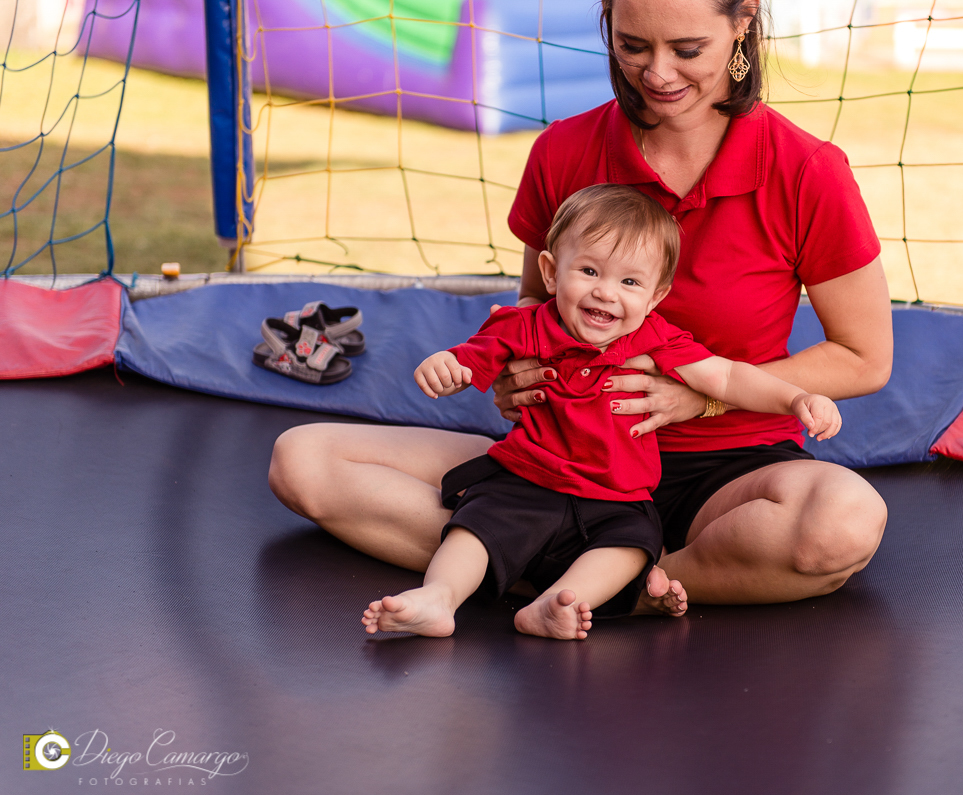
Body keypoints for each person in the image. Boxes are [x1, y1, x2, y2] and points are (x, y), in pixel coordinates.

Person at [269, 0, 892, 611]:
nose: (657, 75)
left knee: (842, 523)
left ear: (742, 21)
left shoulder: (808, 170)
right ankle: (587, 577)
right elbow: (535, 305)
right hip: (560, 457)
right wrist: (513, 377)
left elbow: (864, 359)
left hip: (727, 468)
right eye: (632, 46)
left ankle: (629, 579)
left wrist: (700, 398)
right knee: (303, 460)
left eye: (687, 50)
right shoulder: (564, 150)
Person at [361, 184, 842, 639]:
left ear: (655, 297)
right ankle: (438, 598)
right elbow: (472, 357)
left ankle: (554, 605)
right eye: (589, 272)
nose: (606, 292)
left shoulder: (656, 337)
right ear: (551, 272)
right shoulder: (525, 327)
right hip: (532, 478)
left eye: (630, 281)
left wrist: (794, 399)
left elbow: (729, 377)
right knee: (477, 527)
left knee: (631, 548)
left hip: (618, 495)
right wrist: (446, 365)